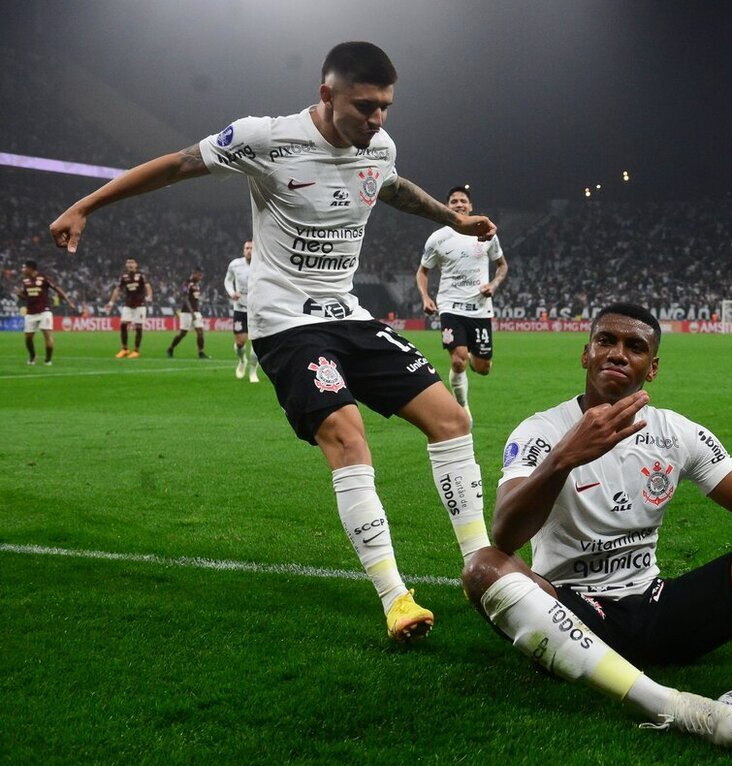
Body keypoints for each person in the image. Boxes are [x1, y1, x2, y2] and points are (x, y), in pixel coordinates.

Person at [50, 41, 497, 642]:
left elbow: (388, 186)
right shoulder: (264, 138)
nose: (377, 120)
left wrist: (451, 217)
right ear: (326, 95)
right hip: (286, 321)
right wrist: (86, 204)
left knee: (451, 420)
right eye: (365, 107)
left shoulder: (380, 145)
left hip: (347, 313)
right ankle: (396, 599)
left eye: (386, 107)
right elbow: (178, 165)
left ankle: (485, 569)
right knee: (347, 434)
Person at [462, 303, 732, 748]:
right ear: (586, 354)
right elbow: (505, 535)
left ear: (652, 368)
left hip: (655, 607)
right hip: (574, 615)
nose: (618, 354)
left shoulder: (676, 433)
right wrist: (564, 458)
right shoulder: (541, 431)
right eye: (606, 341)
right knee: (483, 567)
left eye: (634, 347)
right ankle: (668, 706)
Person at [416, 186, 508, 416]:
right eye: (454, 201)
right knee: (458, 362)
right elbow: (422, 272)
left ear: (471, 206)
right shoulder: (438, 238)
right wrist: (425, 296)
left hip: (480, 309)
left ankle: (471, 355)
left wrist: (493, 286)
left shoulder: (486, 233)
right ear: (447, 206)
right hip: (450, 307)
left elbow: (502, 266)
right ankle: (463, 408)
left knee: (482, 368)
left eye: (463, 201)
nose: (459, 204)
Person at [16, 260, 75, 366]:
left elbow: (57, 288)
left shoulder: (43, 277)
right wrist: (20, 295)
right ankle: (32, 356)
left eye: (24, 268)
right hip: (31, 312)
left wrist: (69, 301)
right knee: (28, 338)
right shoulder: (25, 281)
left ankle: (48, 360)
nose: (23, 270)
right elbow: (26, 296)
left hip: (44, 311)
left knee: (47, 335)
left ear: (31, 268)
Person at [224, 240, 259, 381]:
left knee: (256, 342)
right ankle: (242, 360)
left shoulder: (262, 265)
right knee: (240, 342)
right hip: (240, 309)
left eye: (251, 248)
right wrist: (232, 293)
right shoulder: (235, 264)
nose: (249, 250)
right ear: (243, 250)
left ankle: (252, 372)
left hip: (256, 309)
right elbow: (227, 280)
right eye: (247, 248)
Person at [103, 257, 152, 358]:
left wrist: (149, 296)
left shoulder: (141, 275)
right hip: (128, 305)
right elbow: (117, 290)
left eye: (132, 262)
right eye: (128, 263)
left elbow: (148, 286)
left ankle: (136, 351)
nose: (130, 264)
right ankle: (124, 349)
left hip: (140, 305)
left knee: (138, 327)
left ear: (136, 265)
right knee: (123, 325)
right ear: (126, 265)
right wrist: (111, 302)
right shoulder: (124, 277)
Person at [166, 267, 209, 359]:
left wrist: (195, 311)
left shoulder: (197, 285)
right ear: (194, 273)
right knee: (183, 333)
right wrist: (191, 311)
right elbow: (185, 298)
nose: (200, 277)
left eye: (201, 275)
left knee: (200, 332)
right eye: (199, 275)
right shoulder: (187, 283)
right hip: (186, 312)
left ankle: (201, 352)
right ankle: (170, 348)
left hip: (196, 312)